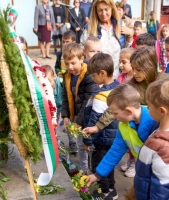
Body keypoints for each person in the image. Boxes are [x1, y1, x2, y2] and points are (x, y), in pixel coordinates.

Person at [84, 83, 156, 198]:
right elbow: (115, 151)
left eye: (115, 113)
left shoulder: (155, 121)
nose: (114, 117)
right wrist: (97, 175)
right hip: (144, 170)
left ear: (128, 111)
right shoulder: (123, 126)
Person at [134, 77, 169, 200]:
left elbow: (162, 189)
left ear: (162, 111)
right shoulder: (164, 128)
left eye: (149, 106)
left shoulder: (165, 149)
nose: (147, 108)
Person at [83, 53, 119, 200]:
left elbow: (94, 121)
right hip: (113, 138)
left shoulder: (100, 96)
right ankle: (112, 189)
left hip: (101, 139)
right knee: (109, 164)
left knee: (98, 166)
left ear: (102, 73)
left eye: (93, 75)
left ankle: (104, 193)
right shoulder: (118, 87)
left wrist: (87, 141)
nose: (92, 78)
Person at [61, 42, 99, 172]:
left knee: (89, 145)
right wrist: (65, 115)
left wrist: (78, 121)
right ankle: (84, 170)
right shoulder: (66, 76)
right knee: (80, 145)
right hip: (77, 116)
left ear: (81, 59)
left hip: (88, 117)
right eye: (67, 64)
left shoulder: (89, 76)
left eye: (73, 63)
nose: (70, 67)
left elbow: (88, 102)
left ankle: (95, 171)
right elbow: (65, 97)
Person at [80, 0, 121, 79]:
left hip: (116, 80)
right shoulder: (89, 30)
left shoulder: (119, 27)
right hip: (96, 81)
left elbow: (127, 52)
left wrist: (130, 35)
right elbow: (81, 53)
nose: (103, 13)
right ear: (96, 11)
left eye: (106, 9)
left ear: (112, 8)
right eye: (100, 10)